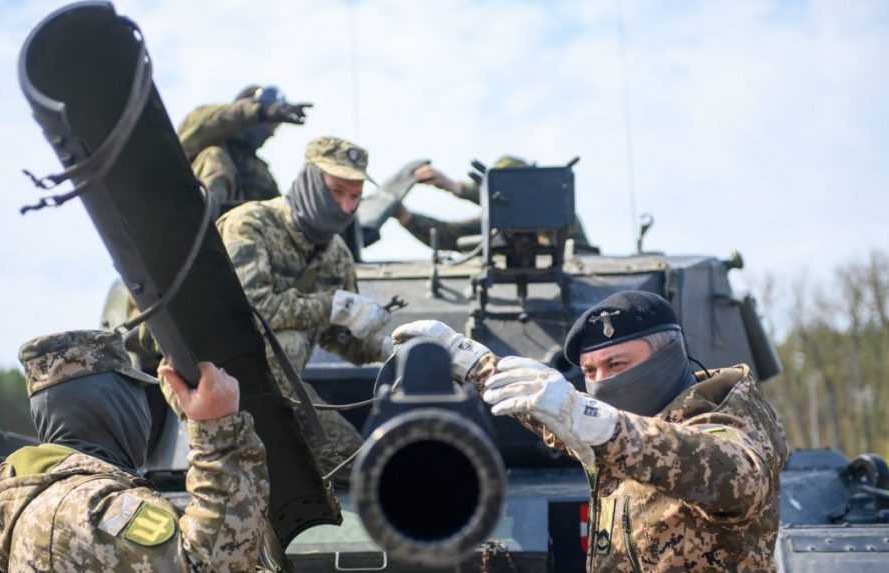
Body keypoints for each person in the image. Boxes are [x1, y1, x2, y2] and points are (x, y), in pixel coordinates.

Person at [392, 290, 788, 572]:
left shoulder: (727, 416)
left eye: (616, 365)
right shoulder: (624, 428)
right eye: (590, 372)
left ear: (668, 356)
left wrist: (600, 423)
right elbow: (562, 421)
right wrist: (473, 361)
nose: (602, 382)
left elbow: (736, 477)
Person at [0, 330, 274, 571]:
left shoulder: (42, 499)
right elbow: (210, 564)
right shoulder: (93, 506)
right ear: (109, 402)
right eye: (137, 393)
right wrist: (218, 430)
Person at [216, 135, 391, 484]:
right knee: (289, 340)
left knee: (358, 465)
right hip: (215, 385)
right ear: (311, 181)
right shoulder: (249, 224)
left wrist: (390, 348)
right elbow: (251, 309)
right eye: (336, 191)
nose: (345, 207)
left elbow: (341, 338)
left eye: (355, 196)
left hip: (283, 396)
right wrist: (334, 307)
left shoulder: (336, 254)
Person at [392, 155, 595, 252]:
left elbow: (522, 203)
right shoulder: (496, 225)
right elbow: (448, 234)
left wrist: (457, 187)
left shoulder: (557, 212)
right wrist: (406, 217)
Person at [178, 84, 312, 216]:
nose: (271, 134)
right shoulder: (203, 125)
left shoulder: (259, 172)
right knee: (214, 156)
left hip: (231, 232)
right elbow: (218, 119)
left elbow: (278, 211)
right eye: (270, 124)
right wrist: (260, 110)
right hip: (183, 210)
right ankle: (201, 217)